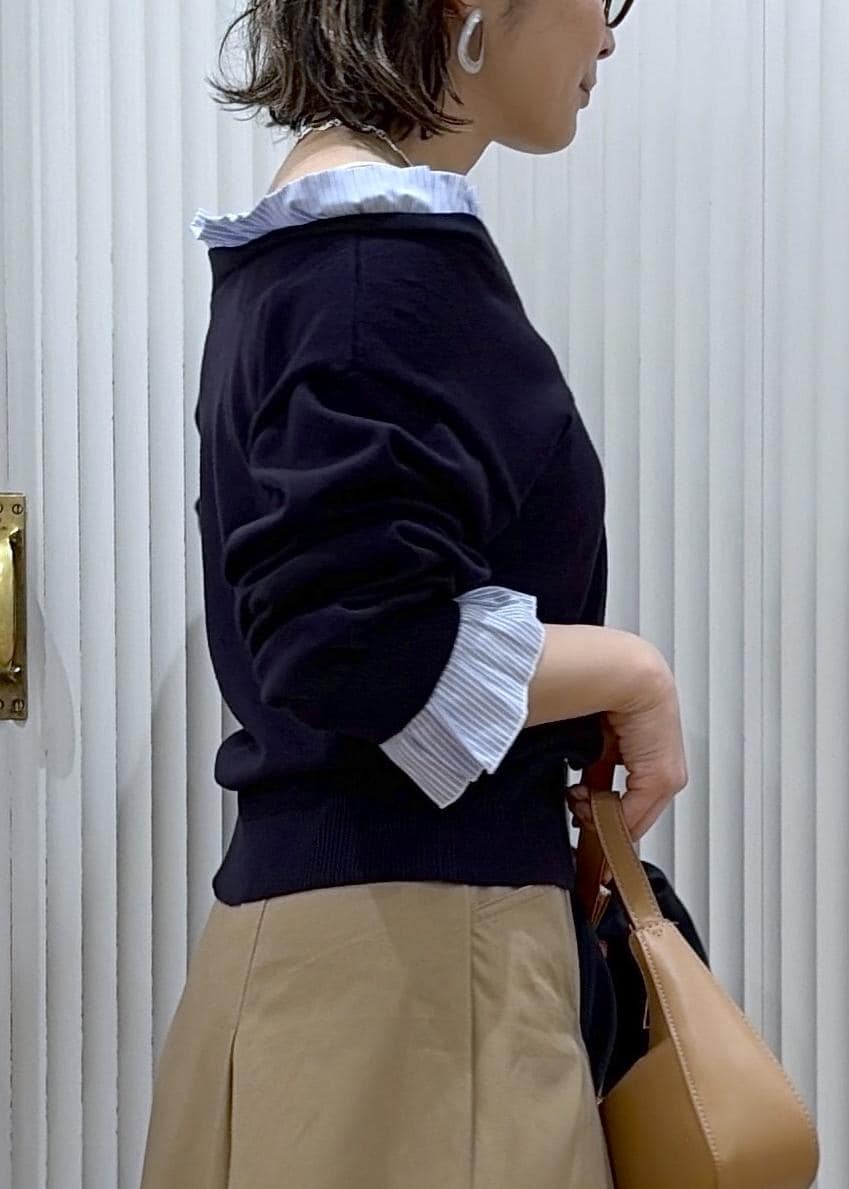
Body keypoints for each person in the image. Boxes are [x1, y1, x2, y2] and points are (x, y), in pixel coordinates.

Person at [140, 1, 689, 1185]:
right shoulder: (371, 274)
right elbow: (355, 645)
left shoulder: (328, 261)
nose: (608, 36)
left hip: (378, 979)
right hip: (417, 998)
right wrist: (633, 673)